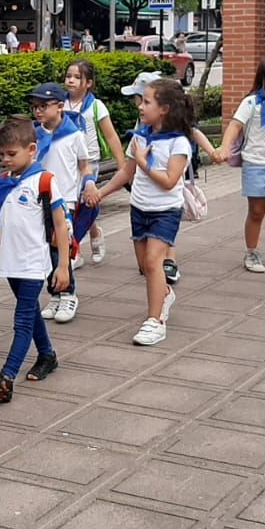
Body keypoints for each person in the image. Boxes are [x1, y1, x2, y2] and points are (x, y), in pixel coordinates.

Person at [0, 116, 66, 402]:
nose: (6, 160)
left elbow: (61, 225)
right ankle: (48, 356)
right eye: (2, 155)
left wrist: (63, 265)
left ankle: (7, 376)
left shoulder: (45, 181)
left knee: (23, 320)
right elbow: (2, 227)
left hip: (33, 264)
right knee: (30, 314)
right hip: (12, 264)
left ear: (32, 149)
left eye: (12, 154)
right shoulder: (6, 184)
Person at [96, 78, 192, 346]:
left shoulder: (179, 143)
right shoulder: (140, 137)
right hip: (139, 208)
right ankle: (164, 292)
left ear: (164, 109)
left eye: (147, 101)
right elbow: (127, 171)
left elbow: (170, 180)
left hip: (166, 211)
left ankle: (155, 321)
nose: (140, 106)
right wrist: (100, 193)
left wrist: (144, 163)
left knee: (153, 262)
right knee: (145, 267)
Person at [213, 57, 265, 274]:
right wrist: (224, 148)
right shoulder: (251, 103)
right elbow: (234, 126)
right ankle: (251, 252)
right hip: (256, 165)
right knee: (257, 212)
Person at [29, 82, 90, 325]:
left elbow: (84, 165)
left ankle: (68, 293)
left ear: (60, 106)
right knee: (46, 249)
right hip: (40, 198)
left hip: (65, 200)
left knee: (60, 246)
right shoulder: (35, 134)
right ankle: (54, 293)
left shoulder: (74, 135)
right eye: (35, 107)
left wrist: (90, 183)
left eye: (44, 106)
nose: (38, 111)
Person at [64, 60, 124, 267]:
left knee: (83, 203)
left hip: (89, 162)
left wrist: (122, 165)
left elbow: (111, 136)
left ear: (88, 83)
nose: (71, 80)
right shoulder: (59, 104)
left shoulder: (96, 106)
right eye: (68, 76)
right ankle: (91, 235)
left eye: (77, 77)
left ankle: (74, 249)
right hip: (66, 162)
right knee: (73, 205)